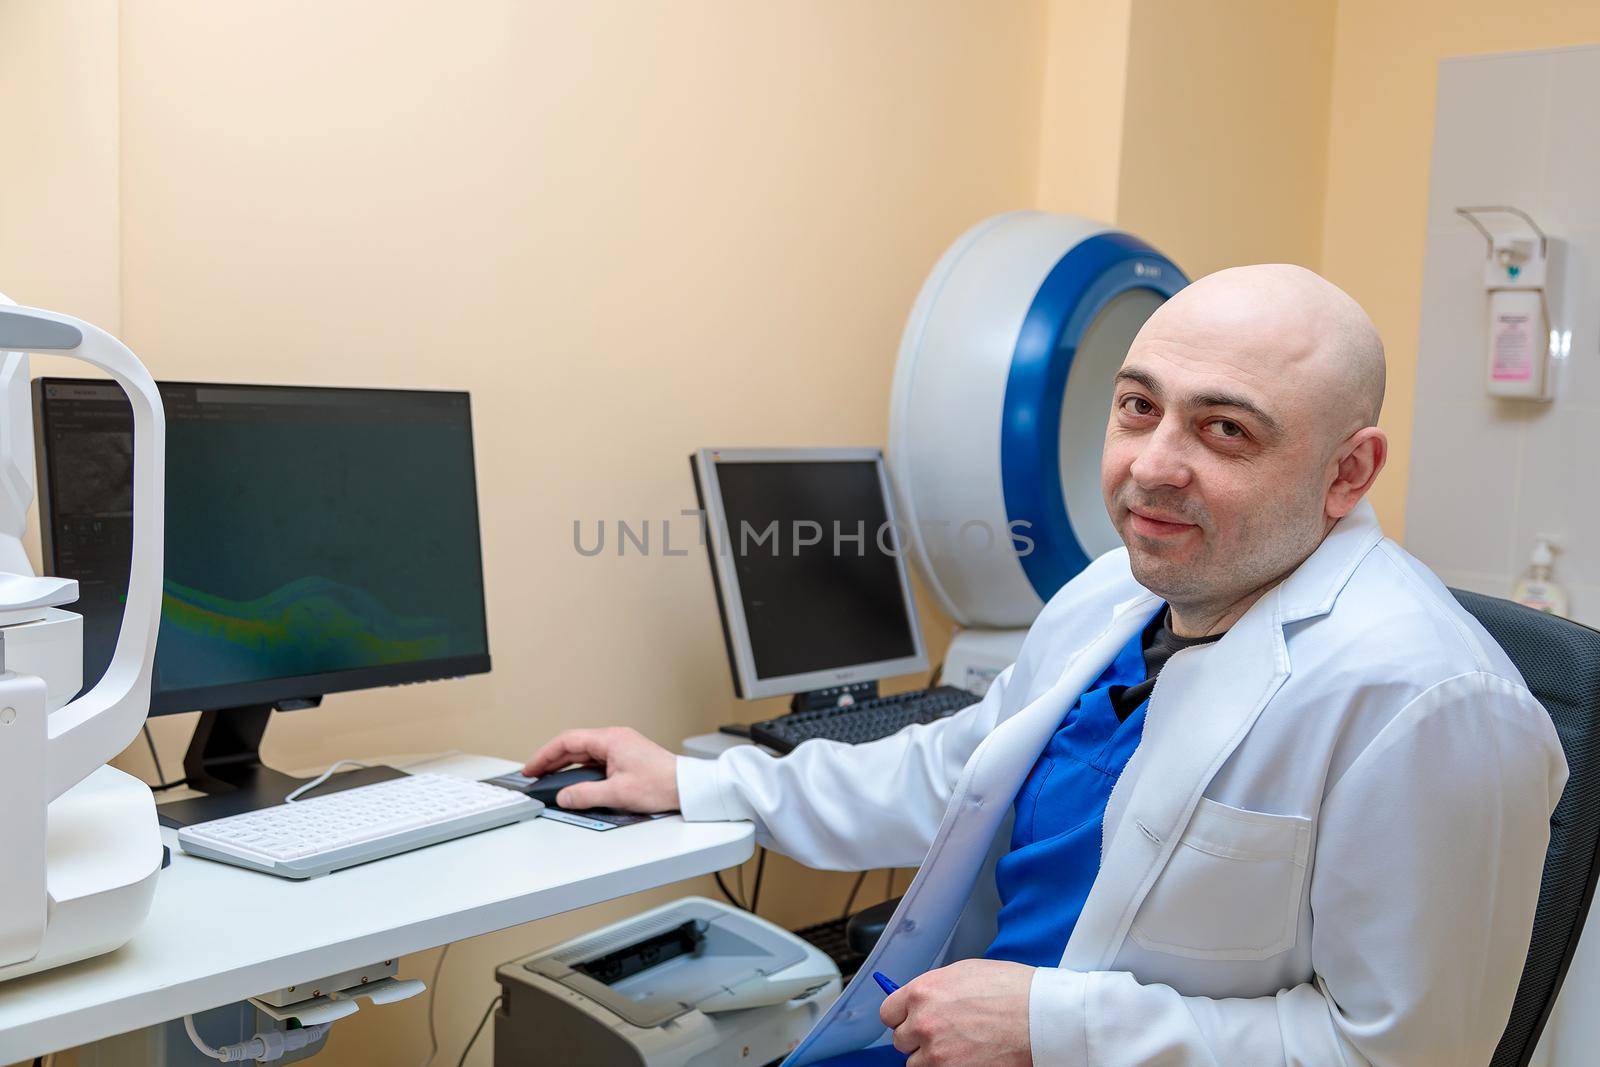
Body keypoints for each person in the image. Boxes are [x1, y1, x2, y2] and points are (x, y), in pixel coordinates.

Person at [524, 265, 1567, 1066]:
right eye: (1136, 406)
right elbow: (952, 773)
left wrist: (1054, 1023)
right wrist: (698, 780)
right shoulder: (1115, 593)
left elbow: (1403, 1052)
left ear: (1347, 471)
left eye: (1224, 428)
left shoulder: (1427, 702)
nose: (1153, 465)